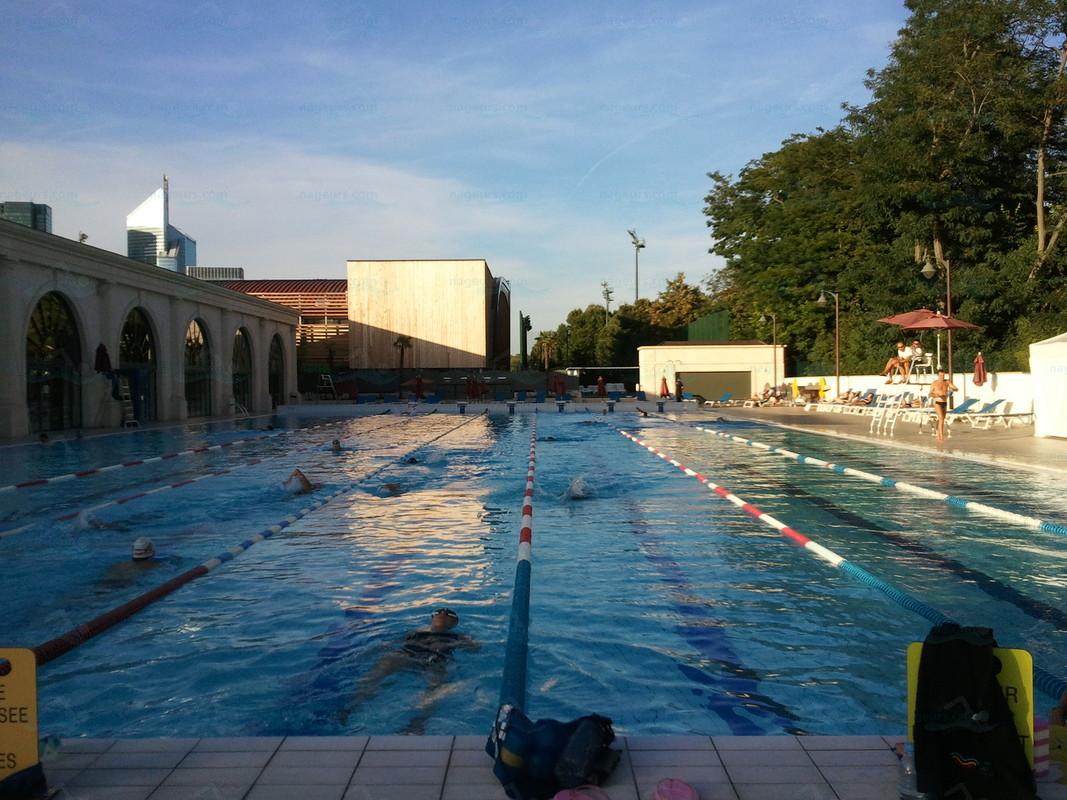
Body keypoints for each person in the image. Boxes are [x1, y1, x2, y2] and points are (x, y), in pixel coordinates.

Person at [336, 608, 479, 728]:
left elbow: (476, 649)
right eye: (438, 612)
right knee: (384, 663)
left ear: (454, 622)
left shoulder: (459, 637)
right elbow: (388, 645)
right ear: (432, 618)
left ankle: (418, 723)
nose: (442, 613)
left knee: (436, 685)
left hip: (435, 660)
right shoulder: (414, 633)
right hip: (407, 655)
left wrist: (469, 641)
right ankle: (351, 708)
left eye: (447, 613)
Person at [929, 369, 958, 443]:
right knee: (941, 418)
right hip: (937, 401)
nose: (942, 377)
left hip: (944, 402)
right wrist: (936, 394)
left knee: (941, 418)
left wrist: (951, 390)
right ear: (938, 375)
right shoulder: (934, 383)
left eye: (943, 375)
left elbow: (955, 388)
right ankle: (941, 437)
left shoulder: (947, 382)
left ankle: (937, 432)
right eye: (940, 375)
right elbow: (930, 394)